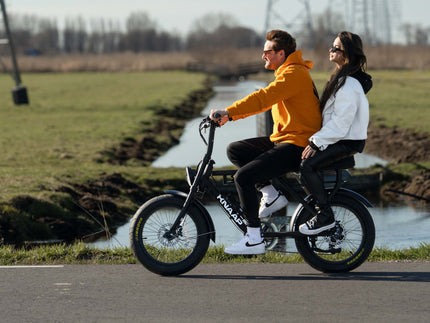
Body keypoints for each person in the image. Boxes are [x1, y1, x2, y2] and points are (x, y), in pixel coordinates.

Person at [210, 30, 321, 255]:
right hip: (285, 139)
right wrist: (230, 116)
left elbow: (263, 99)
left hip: (298, 144)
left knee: (243, 177)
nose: (263, 56)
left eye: (266, 52)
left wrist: (228, 112)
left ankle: (253, 238)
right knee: (236, 150)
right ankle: (271, 195)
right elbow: (264, 101)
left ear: (281, 53)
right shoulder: (287, 72)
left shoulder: (293, 74)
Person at [299, 31, 372, 235]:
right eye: (332, 46)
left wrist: (315, 143)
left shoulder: (349, 84)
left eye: (336, 48)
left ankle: (324, 215)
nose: (330, 50)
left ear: (346, 53)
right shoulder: (341, 77)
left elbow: (341, 122)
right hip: (341, 137)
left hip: (347, 140)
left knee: (307, 166)